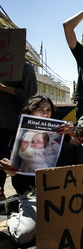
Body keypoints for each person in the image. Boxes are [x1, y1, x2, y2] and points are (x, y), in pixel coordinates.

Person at [0, 95, 75, 245]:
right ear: (30, 112)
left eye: (48, 110)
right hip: (30, 193)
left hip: (55, 191)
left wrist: (72, 133)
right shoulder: (18, 136)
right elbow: (13, 170)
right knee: (24, 235)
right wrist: (8, 169)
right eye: (41, 110)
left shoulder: (59, 133)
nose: (46, 114)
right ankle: (14, 210)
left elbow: (80, 142)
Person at [0, 47, 37, 203]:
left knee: (19, 165)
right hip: (2, 123)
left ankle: (26, 195)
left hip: (13, 125)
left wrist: (2, 87)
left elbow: (29, 94)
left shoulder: (25, 66)